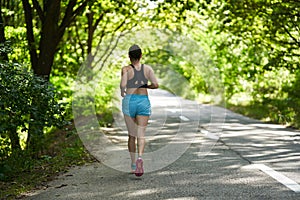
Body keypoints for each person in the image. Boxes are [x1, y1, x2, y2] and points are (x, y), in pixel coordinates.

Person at [120, 44, 159, 176]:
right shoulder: (147, 69)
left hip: (130, 101)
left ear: (129, 56)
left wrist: (122, 91)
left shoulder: (125, 69)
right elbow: (156, 84)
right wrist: (146, 86)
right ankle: (140, 158)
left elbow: (123, 85)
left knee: (132, 135)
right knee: (141, 133)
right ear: (141, 55)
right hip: (143, 101)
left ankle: (132, 164)